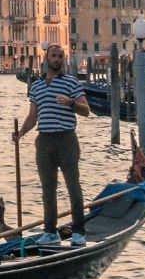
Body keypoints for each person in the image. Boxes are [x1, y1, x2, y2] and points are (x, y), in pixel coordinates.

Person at [17, 44, 93, 246]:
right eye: (54, 56)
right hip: (44, 141)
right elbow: (33, 117)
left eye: (60, 56)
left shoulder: (72, 83)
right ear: (47, 58)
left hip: (66, 139)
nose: (57, 59)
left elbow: (86, 110)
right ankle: (50, 232)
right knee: (47, 189)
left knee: (73, 186)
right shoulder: (37, 86)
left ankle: (79, 231)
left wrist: (71, 103)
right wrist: (21, 133)